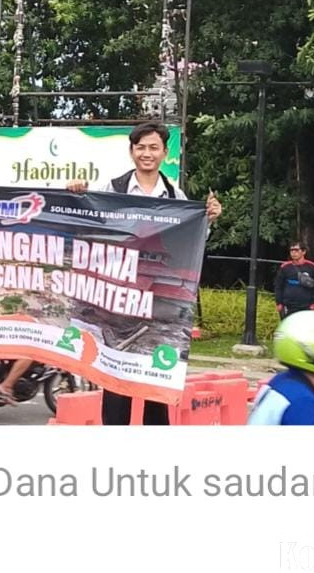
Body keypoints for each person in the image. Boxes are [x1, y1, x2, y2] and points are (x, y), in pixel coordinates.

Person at [66, 122, 223, 424]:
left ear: (165, 152)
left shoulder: (176, 196)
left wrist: (208, 219)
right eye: (141, 147)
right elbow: (89, 226)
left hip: (156, 302)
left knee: (155, 385)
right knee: (116, 386)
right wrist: (75, 195)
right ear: (131, 151)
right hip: (118, 299)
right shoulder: (112, 189)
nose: (146, 153)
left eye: (153, 148)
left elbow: (189, 243)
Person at [273, 242, 314, 318]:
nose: (293, 253)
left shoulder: (312, 267)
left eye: (296, 250)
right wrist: (279, 303)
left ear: (304, 252)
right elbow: (278, 286)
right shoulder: (285, 267)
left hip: (307, 306)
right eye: (291, 250)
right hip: (289, 305)